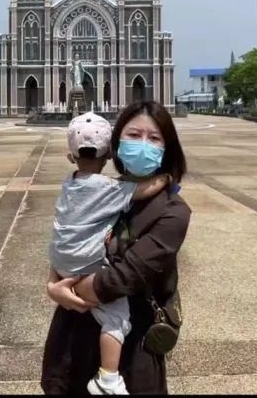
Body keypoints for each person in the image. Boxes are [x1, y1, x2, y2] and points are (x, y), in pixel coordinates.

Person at [42, 100, 191, 395]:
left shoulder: (172, 211)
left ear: (167, 148)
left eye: (154, 138)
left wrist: (63, 287)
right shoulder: (102, 190)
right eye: (133, 135)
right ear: (115, 144)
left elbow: (124, 278)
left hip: (130, 352)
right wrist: (50, 283)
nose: (143, 144)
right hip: (73, 345)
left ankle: (107, 379)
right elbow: (69, 237)